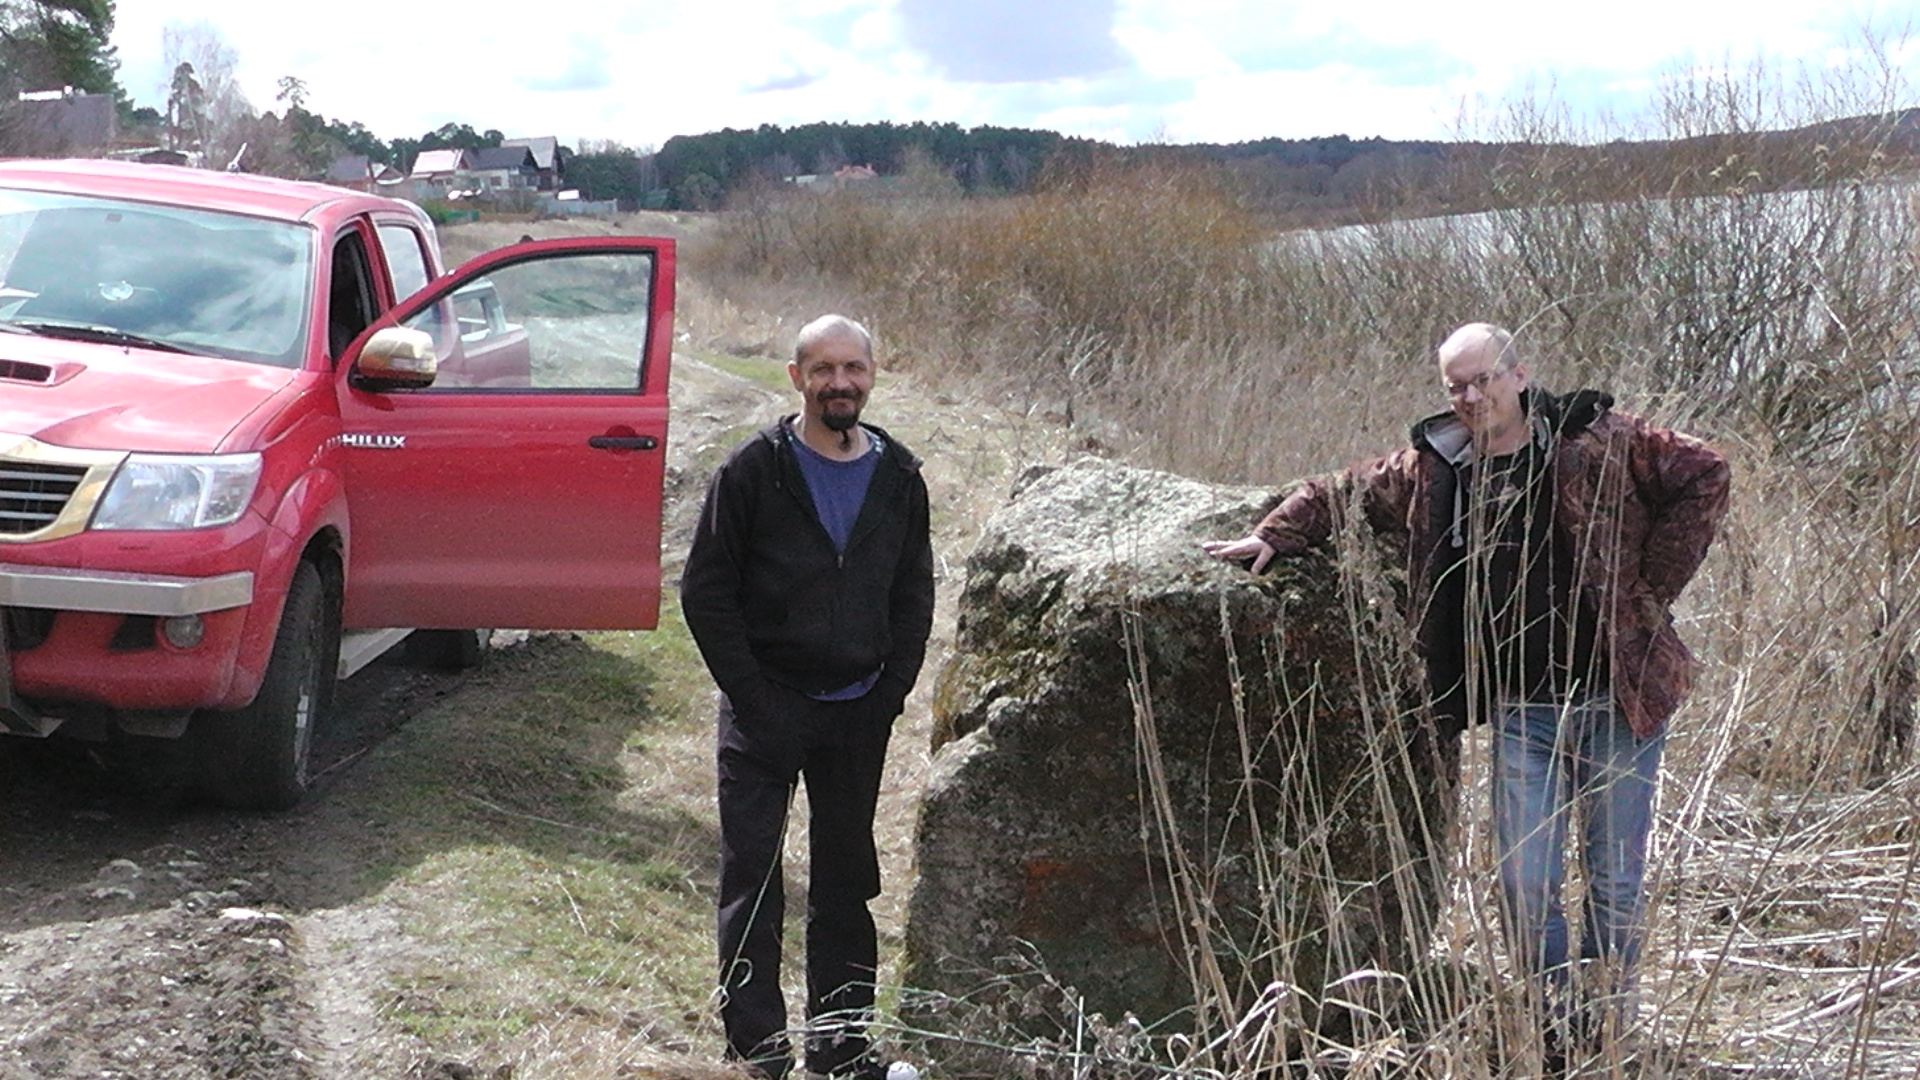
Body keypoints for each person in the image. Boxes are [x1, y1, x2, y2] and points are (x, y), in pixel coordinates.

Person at [1204, 322, 1729, 1060]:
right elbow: (1342, 491)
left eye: (1484, 379)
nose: (1472, 397)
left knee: (1614, 878)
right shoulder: (1437, 464)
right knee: (1523, 882)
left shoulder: (1596, 439)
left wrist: (1650, 591)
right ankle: (1557, 1026)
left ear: (1519, 375)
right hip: (1521, 710)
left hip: (1618, 698)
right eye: (1457, 386)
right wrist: (1275, 533)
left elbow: (1706, 470)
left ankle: (1609, 1029)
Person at [681, 314, 935, 1080]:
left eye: (852, 368)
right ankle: (758, 1053)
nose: (839, 383)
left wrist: (889, 694)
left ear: (872, 374)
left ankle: (842, 1049)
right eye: (822, 369)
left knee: (846, 885)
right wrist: (754, 699)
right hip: (766, 710)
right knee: (753, 883)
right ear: (796, 378)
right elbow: (705, 593)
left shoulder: (899, 477)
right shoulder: (753, 471)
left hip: (857, 711)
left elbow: (913, 595)